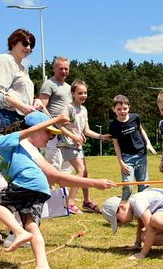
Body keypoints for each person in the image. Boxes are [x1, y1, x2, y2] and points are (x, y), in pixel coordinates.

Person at [0, 110, 115, 269]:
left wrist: (57, 119)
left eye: (52, 135)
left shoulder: (7, 141)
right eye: (49, 134)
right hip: (38, 186)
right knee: (31, 224)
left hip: (27, 182)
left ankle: (18, 233)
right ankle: (42, 265)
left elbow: (54, 173)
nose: (51, 138)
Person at [57, 80, 110, 214]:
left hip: (77, 145)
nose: (83, 95)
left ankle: (87, 201)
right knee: (80, 171)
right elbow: (60, 126)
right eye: (80, 93)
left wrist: (101, 136)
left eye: (85, 93)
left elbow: (86, 130)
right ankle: (70, 203)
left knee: (85, 173)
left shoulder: (84, 109)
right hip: (67, 144)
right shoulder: (68, 108)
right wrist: (73, 136)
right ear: (73, 94)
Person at [0, 29, 43, 126]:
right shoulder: (5, 60)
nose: (29, 48)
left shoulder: (23, 68)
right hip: (5, 117)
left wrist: (35, 101)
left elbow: (21, 95)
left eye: (32, 45)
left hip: (19, 119)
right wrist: (21, 106)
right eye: (25, 43)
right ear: (13, 42)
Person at [109, 94, 156, 202]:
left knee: (143, 184)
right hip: (126, 158)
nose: (122, 111)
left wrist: (148, 143)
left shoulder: (135, 117)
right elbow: (116, 144)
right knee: (128, 185)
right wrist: (121, 163)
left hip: (141, 155)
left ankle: (144, 206)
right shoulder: (113, 125)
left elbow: (141, 130)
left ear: (129, 107)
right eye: (119, 109)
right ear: (114, 109)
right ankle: (124, 207)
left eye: (125, 108)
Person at [39, 56, 72, 171]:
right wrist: (53, 123)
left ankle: (62, 189)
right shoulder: (49, 84)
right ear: (54, 69)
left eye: (66, 69)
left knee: (67, 165)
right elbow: (42, 106)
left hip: (67, 131)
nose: (63, 71)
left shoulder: (69, 87)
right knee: (53, 164)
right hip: (53, 132)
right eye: (61, 68)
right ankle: (49, 189)